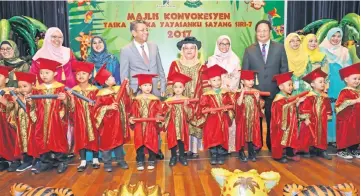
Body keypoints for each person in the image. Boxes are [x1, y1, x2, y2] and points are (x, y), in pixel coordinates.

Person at [120, 20, 166, 159]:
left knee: (155, 119)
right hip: (137, 91)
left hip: (154, 90)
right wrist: (128, 93)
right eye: (142, 30)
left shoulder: (154, 46)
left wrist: (163, 85)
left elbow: (160, 67)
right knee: (140, 124)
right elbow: (124, 74)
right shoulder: (126, 50)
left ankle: (156, 149)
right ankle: (140, 151)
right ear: (133, 33)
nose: (146, 32)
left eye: (147, 29)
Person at [242, 20, 289, 151]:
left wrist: (283, 89)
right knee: (256, 121)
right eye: (259, 31)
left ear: (270, 32)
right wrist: (249, 90)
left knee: (273, 120)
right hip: (255, 92)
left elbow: (284, 69)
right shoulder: (249, 50)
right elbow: (246, 72)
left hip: (274, 91)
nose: (262, 33)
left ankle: (272, 145)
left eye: (265, 30)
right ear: (256, 33)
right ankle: (257, 145)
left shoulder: (279, 48)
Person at [167, 37, 209, 158]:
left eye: (192, 48)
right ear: (182, 50)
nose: (189, 51)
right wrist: (171, 99)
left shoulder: (202, 66)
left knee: (195, 123)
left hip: (197, 101)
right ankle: (182, 150)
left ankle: (194, 150)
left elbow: (206, 85)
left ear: (196, 50)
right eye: (186, 48)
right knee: (180, 125)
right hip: (179, 101)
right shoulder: (175, 64)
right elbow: (170, 83)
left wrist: (205, 100)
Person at [29, 58, 69, 174]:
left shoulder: (60, 87)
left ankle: (61, 161)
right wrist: (30, 101)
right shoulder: (37, 89)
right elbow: (33, 106)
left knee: (57, 139)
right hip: (41, 119)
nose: (43, 75)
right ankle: (45, 162)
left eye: (47, 72)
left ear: (55, 73)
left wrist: (65, 99)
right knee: (42, 139)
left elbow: (69, 105)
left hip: (56, 119)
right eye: (41, 72)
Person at [93, 64, 130, 172]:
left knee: (119, 143)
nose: (114, 78)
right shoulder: (101, 94)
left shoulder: (118, 89)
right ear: (106, 82)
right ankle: (107, 163)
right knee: (106, 145)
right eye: (111, 77)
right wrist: (108, 107)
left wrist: (126, 90)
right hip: (107, 124)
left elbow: (127, 101)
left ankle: (121, 160)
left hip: (118, 122)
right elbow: (96, 110)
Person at [207, 35, 240, 153]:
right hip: (215, 96)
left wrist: (227, 88)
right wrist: (219, 88)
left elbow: (237, 76)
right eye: (222, 44)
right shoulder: (212, 60)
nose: (224, 46)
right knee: (215, 122)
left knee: (228, 120)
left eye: (227, 44)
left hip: (229, 94)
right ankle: (216, 147)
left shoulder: (235, 59)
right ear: (218, 45)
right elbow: (210, 76)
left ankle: (227, 147)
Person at [319, 27, 352, 144]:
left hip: (340, 83)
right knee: (326, 109)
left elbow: (349, 70)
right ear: (328, 36)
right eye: (333, 36)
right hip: (325, 83)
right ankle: (324, 138)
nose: (336, 39)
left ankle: (337, 139)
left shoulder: (345, 51)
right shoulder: (321, 50)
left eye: (338, 36)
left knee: (338, 109)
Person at [67, 61, 100, 172]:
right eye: (78, 74)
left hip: (92, 118)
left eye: (84, 73)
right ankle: (83, 161)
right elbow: (71, 108)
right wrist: (71, 98)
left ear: (90, 75)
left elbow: (99, 106)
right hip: (79, 118)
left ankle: (95, 159)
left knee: (94, 136)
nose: (80, 76)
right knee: (81, 137)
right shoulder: (74, 91)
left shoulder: (95, 90)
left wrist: (94, 105)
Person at [198, 65, 234, 165]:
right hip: (211, 120)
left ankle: (221, 154)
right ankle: (213, 154)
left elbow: (230, 103)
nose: (217, 82)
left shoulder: (225, 93)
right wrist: (208, 110)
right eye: (214, 80)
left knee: (222, 135)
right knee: (212, 136)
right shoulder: (206, 95)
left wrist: (227, 108)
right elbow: (202, 107)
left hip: (223, 119)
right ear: (209, 82)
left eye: (218, 79)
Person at [129, 74, 163, 171]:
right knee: (139, 143)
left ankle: (152, 159)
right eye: (145, 85)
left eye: (149, 85)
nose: (148, 87)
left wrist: (158, 117)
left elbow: (159, 111)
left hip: (151, 125)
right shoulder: (136, 100)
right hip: (139, 126)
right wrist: (132, 119)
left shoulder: (155, 100)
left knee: (152, 142)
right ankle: (140, 159)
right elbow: (132, 112)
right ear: (140, 86)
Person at [298, 68, 332, 160]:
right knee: (308, 134)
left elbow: (328, 106)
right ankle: (307, 149)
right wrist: (306, 118)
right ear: (312, 84)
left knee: (322, 134)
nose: (323, 84)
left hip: (322, 119)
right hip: (311, 119)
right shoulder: (309, 96)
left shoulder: (325, 96)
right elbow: (304, 107)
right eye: (320, 82)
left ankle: (322, 150)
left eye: (324, 82)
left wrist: (328, 114)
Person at [271, 72, 304, 163]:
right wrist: (293, 102)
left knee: (291, 136)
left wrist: (297, 104)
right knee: (280, 138)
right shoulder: (278, 99)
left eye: (292, 84)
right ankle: (277, 156)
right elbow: (283, 108)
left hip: (290, 123)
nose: (291, 87)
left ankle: (290, 153)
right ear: (281, 87)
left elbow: (291, 107)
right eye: (289, 85)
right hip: (281, 124)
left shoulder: (288, 97)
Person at [163, 72, 193, 167]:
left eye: (180, 87)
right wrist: (168, 108)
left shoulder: (186, 99)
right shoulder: (169, 100)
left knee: (181, 140)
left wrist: (185, 107)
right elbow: (164, 113)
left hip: (182, 124)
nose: (178, 89)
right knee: (172, 139)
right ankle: (173, 156)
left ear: (184, 88)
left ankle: (182, 156)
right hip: (172, 123)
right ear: (173, 88)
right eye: (175, 87)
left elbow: (191, 114)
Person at [9, 72, 37, 172]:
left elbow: (36, 113)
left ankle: (37, 161)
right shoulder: (18, 96)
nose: (22, 89)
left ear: (33, 85)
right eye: (20, 86)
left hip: (32, 125)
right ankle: (27, 161)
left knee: (33, 141)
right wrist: (16, 103)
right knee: (23, 142)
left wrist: (30, 103)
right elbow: (14, 113)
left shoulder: (35, 96)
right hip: (22, 124)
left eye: (25, 86)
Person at [234, 70, 263, 162]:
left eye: (252, 80)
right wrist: (242, 93)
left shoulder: (255, 91)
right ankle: (241, 152)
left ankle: (251, 152)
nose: (251, 82)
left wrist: (258, 99)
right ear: (242, 81)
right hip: (243, 118)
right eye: (248, 80)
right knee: (242, 134)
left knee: (251, 135)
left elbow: (259, 106)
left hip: (252, 118)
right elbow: (238, 105)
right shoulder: (238, 92)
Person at [335, 63, 359, 159]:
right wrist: (354, 101)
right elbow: (339, 105)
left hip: (356, 118)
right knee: (345, 134)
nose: (357, 81)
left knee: (355, 134)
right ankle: (341, 151)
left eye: (359, 79)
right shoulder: (345, 91)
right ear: (346, 79)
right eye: (355, 78)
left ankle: (353, 149)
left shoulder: (358, 91)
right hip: (346, 119)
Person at [0, 66, 16, 171]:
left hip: (5, 122)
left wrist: (3, 101)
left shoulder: (9, 92)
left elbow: (13, 107)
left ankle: (9, 160)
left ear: (6, 80)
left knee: (7, 141)